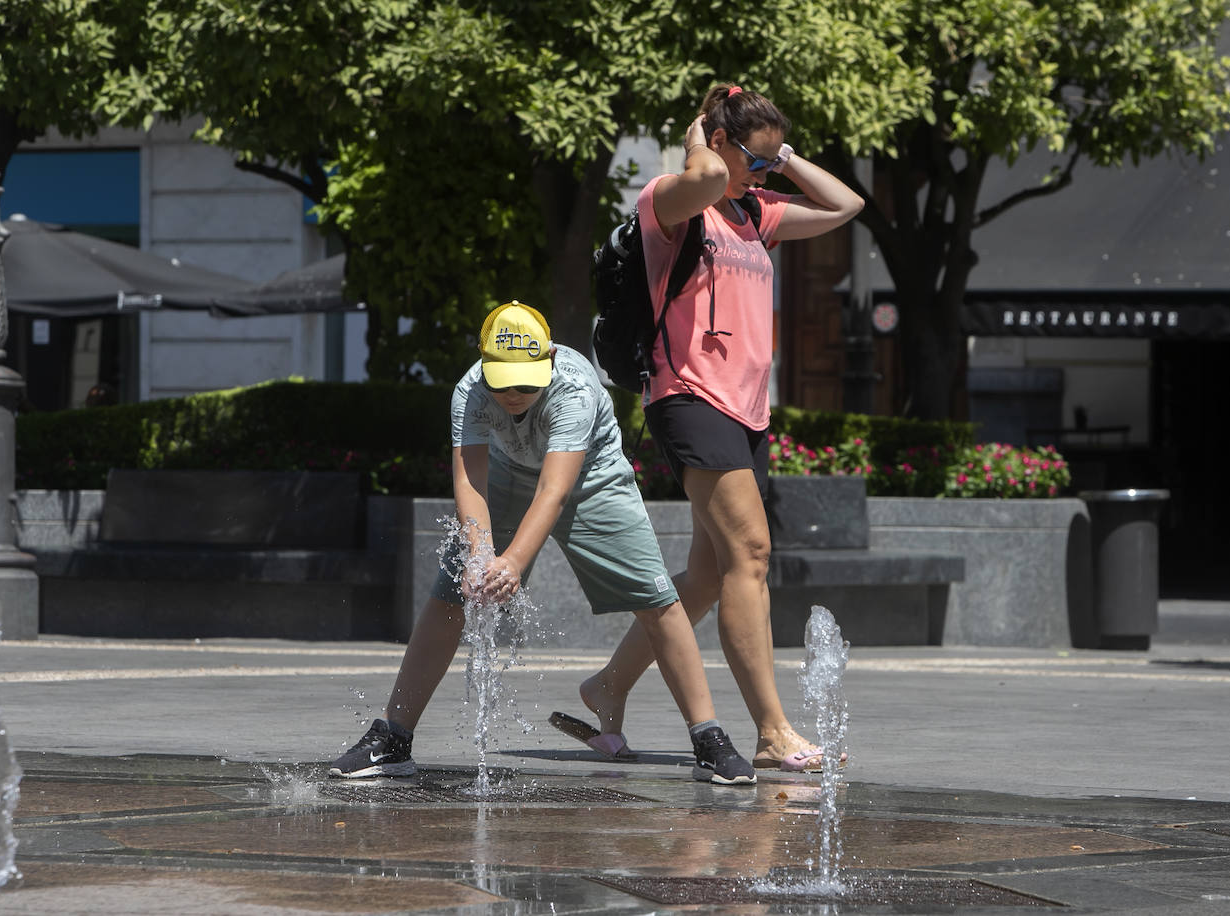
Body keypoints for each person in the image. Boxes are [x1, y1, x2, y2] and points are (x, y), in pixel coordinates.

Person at [559, 85, 864, 773]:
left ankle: (606, 686)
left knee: (705, 574)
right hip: (690, 398)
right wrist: (699, 140)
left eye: (771, 163)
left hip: (747, 409)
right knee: (749, 556)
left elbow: (847, 206)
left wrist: (777, 158)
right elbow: (699, 176)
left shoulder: (756, 213)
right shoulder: (671, 200)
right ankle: (771, 730)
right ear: (717, 143)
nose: (765, 174)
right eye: (754, 159)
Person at [330, 301, 756, 785]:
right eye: (502, 380)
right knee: (451, 594)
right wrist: (479, 554)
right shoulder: (470, 390)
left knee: (656, 598)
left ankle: (708, 740)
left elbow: (554, 492)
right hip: (508, 474)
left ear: (549, 358)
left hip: (593, 476)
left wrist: (511, 561)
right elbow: (470, 481)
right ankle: (393, 739)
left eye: (526, 381)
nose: (512, 393)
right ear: (483, 364)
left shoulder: (572, 387)